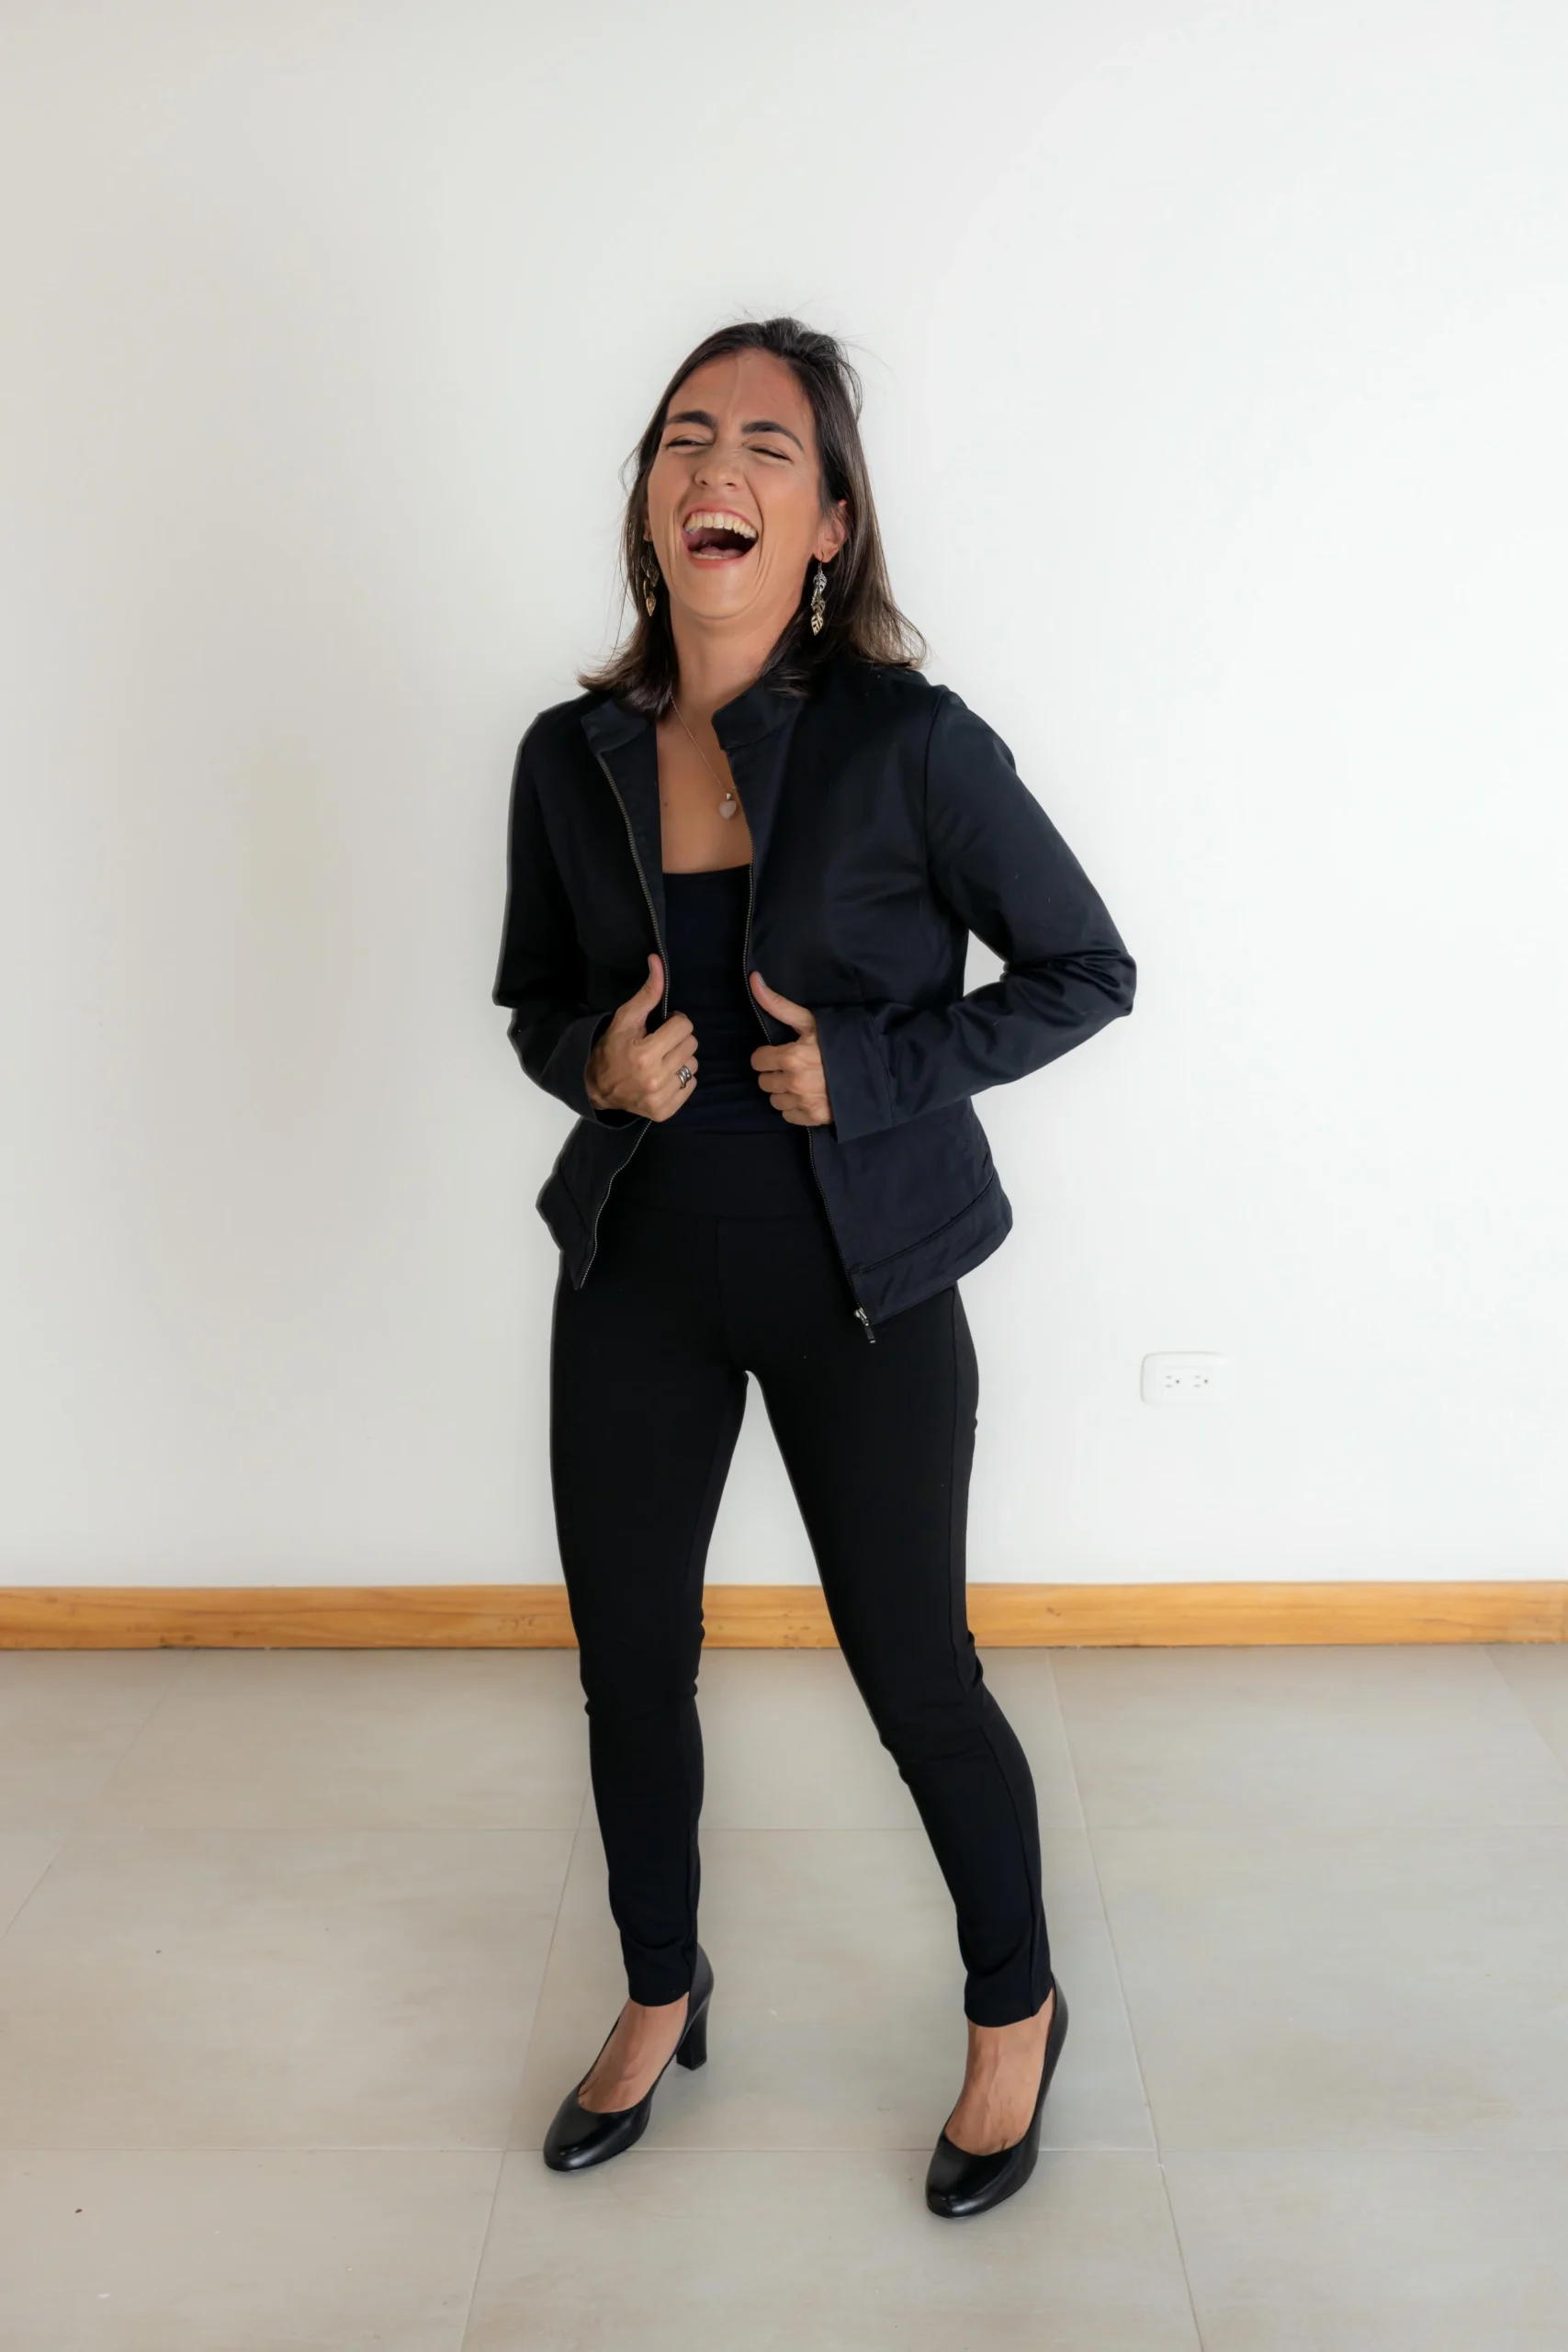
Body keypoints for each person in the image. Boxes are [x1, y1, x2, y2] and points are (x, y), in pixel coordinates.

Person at [492, 316, 1135, 2220]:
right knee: (629, 1667)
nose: (719, 468)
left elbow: (1084, 969)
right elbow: (533, 1000)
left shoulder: (910, 743)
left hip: (866, 1275)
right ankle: (658, 1984)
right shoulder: (571, 754)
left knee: (915, 1668)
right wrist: (590, 1061)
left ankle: (1015, 2007)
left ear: (829, 521)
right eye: (687, 437)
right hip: (631, 1270)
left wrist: (868, 1070)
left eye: (769, 445)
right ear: (649, 503)